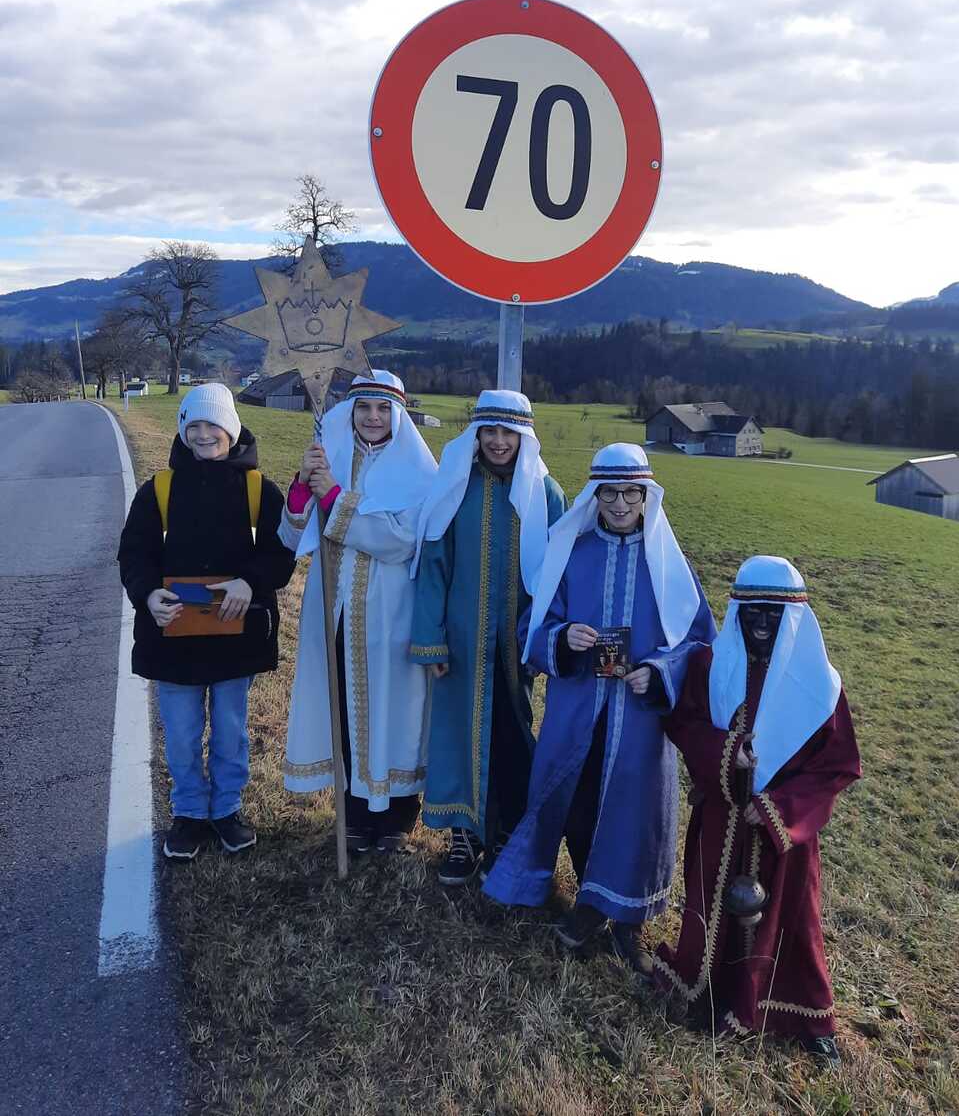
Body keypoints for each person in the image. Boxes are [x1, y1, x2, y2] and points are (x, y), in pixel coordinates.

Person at [483, 443, 715, 976]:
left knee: (635, 810)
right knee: (577, 803)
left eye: (630, 493)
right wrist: (564, 637)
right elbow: (533, 628)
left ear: (646, 496)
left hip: (639, 719)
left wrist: (659, 671)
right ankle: (590, 904)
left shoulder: (668, 563)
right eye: (609, 493)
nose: (619, 503)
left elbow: (699, 642)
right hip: (578, 710)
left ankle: (627, 919)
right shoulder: (573, 553)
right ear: (595, 495)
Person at [653, 555, 861, 1065]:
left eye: (774, 614)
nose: (762, 624)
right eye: (752, 613)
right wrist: (727, 754)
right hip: (721, 819)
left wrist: (777, 809)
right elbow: (684, 724)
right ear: (737, 613)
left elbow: (837, 765)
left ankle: (803, 1015)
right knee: (712, 905)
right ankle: (707, 989)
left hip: (783, 836)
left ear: (793, 618)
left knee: (795, 919)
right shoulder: (711, 665)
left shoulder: (820, 685)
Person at [118, 382, 296, 860]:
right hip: (174, 637)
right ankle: (190, 813)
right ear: (182, 431)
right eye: (193, 425)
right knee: (181, 733)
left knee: (230, 729)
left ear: (231, 429)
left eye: (212, 425)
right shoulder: (158, 490)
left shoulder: (260, 491)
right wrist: (147, 594)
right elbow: (134, 554)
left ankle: (226, 810)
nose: (202, 434)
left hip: (235, 636)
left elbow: (282, 553)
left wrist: (250, 583)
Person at [409, 390, 566, 885]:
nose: (499, 442)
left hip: (517, 646)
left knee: (511, 736)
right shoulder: (456, 486)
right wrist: (431, 638)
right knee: (459, 734)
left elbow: (557, 576)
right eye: (490, 431)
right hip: (461, 643)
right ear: (476, 434)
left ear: (525, 437)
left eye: (509, 432)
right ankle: (463, 836)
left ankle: (505, 835)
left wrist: (542, 639)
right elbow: (434, 565)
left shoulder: (547, 494)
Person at [280, 371, 437, 853]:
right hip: (335, 607)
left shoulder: (418, 471)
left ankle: (395, 816)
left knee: (394, 708)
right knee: (343, 703)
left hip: (392, 609)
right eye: (364, 407)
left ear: (398, 414)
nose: (373, 417)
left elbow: (400, 541)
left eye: (383, 408)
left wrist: (334, 497)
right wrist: (303, 488)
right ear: (349, 412)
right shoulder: (329, 457)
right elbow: (292, 536)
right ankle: (351, 811)